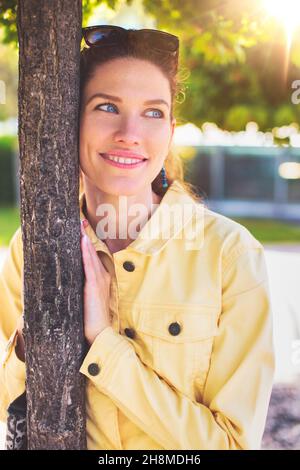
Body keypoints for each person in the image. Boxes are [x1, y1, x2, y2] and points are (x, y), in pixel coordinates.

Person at [0, 25, 275, 450]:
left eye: (152, 112)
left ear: (170, 130)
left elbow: (233, 444)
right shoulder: (31, 248)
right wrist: (37, 334)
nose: (130, 132)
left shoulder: (230, 256)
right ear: (70, 118)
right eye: (107, 106)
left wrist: (105, 344)